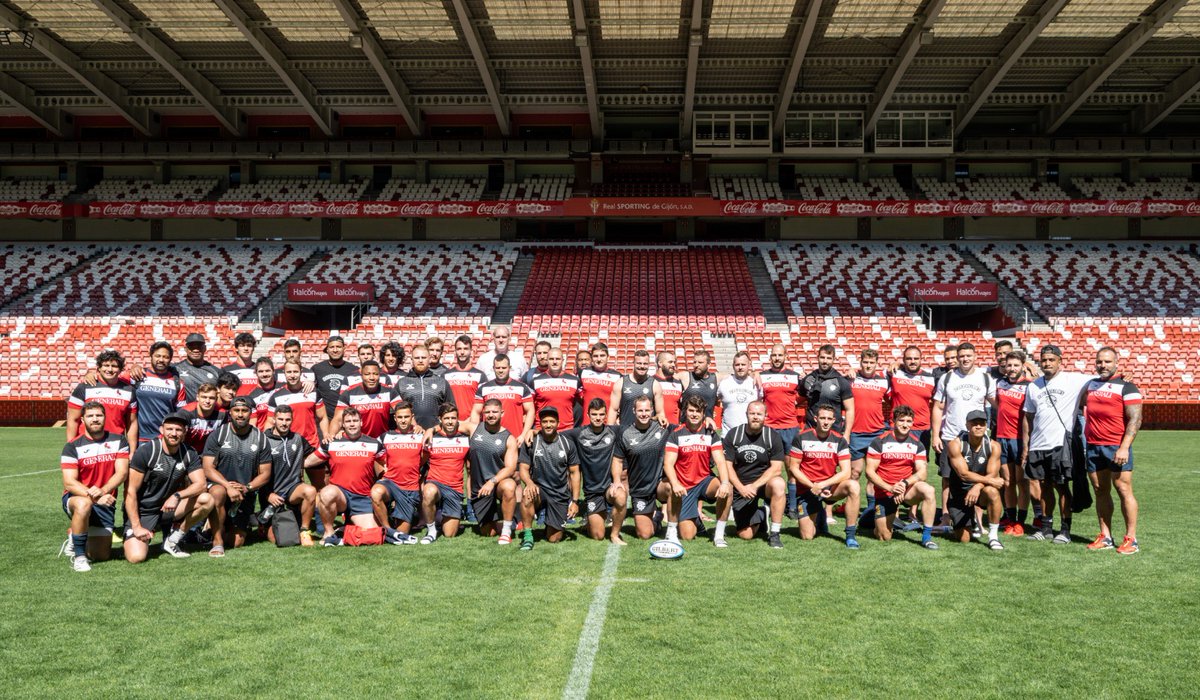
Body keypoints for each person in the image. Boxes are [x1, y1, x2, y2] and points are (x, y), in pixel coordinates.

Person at [1020, 344, 1092, 544]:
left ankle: (1065, 530)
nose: (1047, 363)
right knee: (1043, 487)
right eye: (1044, 360)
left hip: (1060, 443)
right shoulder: (1033, 386)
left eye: (1052, 360)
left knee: (1061, 487)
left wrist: (1123, 376)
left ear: (1060, 361)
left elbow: (1101, 379)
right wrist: (1026, 445)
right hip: (1038, 444)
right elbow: (1028, 417)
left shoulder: (1073, 379)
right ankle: (1046, 528)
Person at [122, 411, 216, 563]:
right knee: (136, 557)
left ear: (185, 432)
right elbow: (130, 492)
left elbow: (201, 484)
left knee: (207, 499)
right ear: (162, 430)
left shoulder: (189, 453)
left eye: (178, 430)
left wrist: (177, 496)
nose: (174, 433)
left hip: (169, 508)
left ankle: (172, 540)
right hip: (144, 511)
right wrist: (137, 526)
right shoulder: (147, 451)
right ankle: (139, 533)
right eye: (169, 429)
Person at [1080, 347, 1142, 554]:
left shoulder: (1127, 386)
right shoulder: (1090, 385)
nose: (1103, 365)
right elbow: (1079, 402)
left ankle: (1131, 539)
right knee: (1100, 490)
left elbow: (1135, 419)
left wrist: (1124, 447)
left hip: (1116, 446)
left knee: (1123, 489)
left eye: (1107, 361)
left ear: (1116, 362)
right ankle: (1105, 536)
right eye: (1099, 361)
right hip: (1093, 446)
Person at [60, 401, 130, 571]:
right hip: (78, 497)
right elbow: (69, 482)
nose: (95, 419)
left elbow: (122, 473)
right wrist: (96, 497)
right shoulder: (72, 446)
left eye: (99, 415)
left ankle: (75, 535)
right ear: (83, 420)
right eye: (90, 416)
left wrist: (103, 491)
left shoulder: (119, 440)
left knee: (101, 555)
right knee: (84, 504)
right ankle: (79, 557)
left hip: (105, 500)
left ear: (105, 418)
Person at [931, 342, 995, 525]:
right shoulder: (947, 378)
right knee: (947, 479)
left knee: (977, 478)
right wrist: (936, 435)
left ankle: (977, 520)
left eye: (968, 355)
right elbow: (938, 407)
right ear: (957, 358)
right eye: (962, 356)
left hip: (977, 438)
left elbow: (997, 404)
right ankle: (945, 517)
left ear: (975, 356)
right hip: (950, 435)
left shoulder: (985, 378)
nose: (965, 359)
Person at [314, 408, 399, 546]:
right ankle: (328, 532)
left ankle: (342, 530)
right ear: (343, 424)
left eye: (355, 421)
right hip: (340, 495)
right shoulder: (332, 443)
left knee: (373, 534)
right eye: (348, 421)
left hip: (362, 497)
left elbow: (387, 463)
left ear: (361, 422)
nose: (352, 424)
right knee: (327, 493)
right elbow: (309, 461)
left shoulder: (374, 444)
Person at [202, 396, 273, 556]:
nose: (240, 414)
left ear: (250, 413)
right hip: (220, 486)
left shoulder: (260, 438)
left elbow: (265, 474)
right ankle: (217, 542)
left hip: (244, 493)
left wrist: (246, 488)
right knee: (218, 493)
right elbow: (208, 468)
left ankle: (218, 524)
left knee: (236, 542)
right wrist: (228, 486)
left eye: (244, 411)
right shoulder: (219, 434)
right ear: (230, 412)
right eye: (236, 410)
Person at [787, 403, 861, 549]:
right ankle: (820, 514)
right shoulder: (801, 437)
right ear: (816, 419)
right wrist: (812, 486)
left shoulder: (839, 440)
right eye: (822, 418)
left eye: (829, 419)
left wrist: (822, 485)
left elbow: (846, 472)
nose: (826, 422)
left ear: (834, 420)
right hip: (808, 489)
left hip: (829, 488)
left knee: (854, 486)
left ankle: (850, 535)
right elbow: (793, 468)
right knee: (807, 536)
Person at [865, 405, 938, 549]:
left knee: (928, 490)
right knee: (884, 536)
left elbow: (922, 473)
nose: (905, 425)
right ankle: (868, 517)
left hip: (907, 490)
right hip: (885, 491)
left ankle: (926, 537)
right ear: (893, 421)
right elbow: (869, 472)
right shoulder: (879, 441)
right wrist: (890, 488)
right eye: (901, 420)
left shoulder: (917, 444)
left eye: (909, 421)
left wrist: (904, 484)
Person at [663, 396, 732, 546]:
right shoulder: (676, 434)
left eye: (698, 411)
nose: (694, 414)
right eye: (691, 410)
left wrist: (725, 483)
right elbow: (668, 464)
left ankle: (719, 535)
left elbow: (720, 461)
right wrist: (675, 483)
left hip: (704, 482)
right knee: (687, 535)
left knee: (728, 488)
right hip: (684, 487)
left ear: (703, 414)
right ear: (685, 412)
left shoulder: (710, 433)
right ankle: (696, 521)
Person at [723, 401, 787, 547]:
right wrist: (741, 487)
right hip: (741, 486)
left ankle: (775, 534)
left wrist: (754, 486)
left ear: (766, 416)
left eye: (759, 414)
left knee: (779, 484)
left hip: (764, 485)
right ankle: (763, 513)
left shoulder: (772, 436)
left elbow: (777, 468)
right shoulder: (734, 434)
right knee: (745, 535)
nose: (755, 417)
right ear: (746, 414)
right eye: (752, 413)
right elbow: (727, 466)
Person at [517, 407, 581, 551]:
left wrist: (575, 501)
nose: (548, 425)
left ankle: (549, 520)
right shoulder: (531, 442)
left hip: (559, 494)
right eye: (545, 421)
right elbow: (523, 468)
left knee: (554, 539)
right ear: (540, 423)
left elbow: (575, 473)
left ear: (558, 423)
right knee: (527, 495)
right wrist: (529, 483)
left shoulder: (567, 444)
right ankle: (528, 536)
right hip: (539, 490)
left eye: (552, 421)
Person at [611, 395, 672, 540]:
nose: (644, 414)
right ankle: (657, 519)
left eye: (647, 410)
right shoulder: (626, 433)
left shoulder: (663, 427)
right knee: (644, 535)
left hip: (659, 485)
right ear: (634, 411)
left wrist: (707, 419)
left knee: (672, 487)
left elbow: (686, 427)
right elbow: (617, 461)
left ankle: (672, 531)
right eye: (640, 410)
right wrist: (617, 481)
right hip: (640, 489)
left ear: (652, 411)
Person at [566, 398, 625, 544]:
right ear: (588, 415)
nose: (598, 418)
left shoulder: (613, 431)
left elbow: (636, 426)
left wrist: (656, 418)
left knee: (621, 496)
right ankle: (591, 520)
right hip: (592, 491)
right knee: (598, 535)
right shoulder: (578, 433)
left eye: (601, 414)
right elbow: (555, 434)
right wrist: (534, 432)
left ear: (606, 415)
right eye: (594, 414)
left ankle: (615, 535)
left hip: (609, 487)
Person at [945, 410, 1005, 550]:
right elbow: (963, 474)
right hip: (959, 492)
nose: (978, 427)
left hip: (981, 489)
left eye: (982, 424)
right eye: (974, 424)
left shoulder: (994, 446)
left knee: (992, 492)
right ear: (967, 425)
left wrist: (977, 486)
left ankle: (993, 537)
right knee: (964, 539)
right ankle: (965, 523)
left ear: (986, 426)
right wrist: (987, 481)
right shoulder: (955, 444)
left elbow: (992, 474)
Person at [262, 404, 320, 547]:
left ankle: (304, 531)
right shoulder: (263, 440)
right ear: (274, 420)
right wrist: (268, 494)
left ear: (292, 420)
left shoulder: (298, 439)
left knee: (310, 491)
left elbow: (314, 455)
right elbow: (255, 473)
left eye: (288, 420)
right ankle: (262, 523)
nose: (284, 423)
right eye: (280, 419)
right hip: (271, 494)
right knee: (277, 539)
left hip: (293, 490)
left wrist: (330, 446)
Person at [757, 343, 803, 517]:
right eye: (774, 355)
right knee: (769, 468)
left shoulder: (795, 376)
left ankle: (792, 506)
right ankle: (768, 504)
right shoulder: (762, 376)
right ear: (770, 357)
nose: (777, 358)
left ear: (785, 357)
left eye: (780, 355)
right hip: (770, 428)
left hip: (790, 427)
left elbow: (802, 396)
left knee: (792, 469)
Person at [467, 398, 519, 544]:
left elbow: (510, 468)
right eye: (488, 412)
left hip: (497, 483)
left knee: (509, 486)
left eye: (495, 412)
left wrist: (492, 481)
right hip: (480, 488)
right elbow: (451, 424)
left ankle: (506, 531)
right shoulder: (473, 428)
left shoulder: (509, 439)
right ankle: (512, 522)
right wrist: (432, 430)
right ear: (483, 413)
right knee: (487, 532)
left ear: (502, 413)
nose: (491, 415)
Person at [419, 403, 472, 543]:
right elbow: (420, 462)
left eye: (453, 418)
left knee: (450, 534)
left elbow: (470, 467)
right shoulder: (431, 438)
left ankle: (441, 516)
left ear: (457, 419)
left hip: (454, 488)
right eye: (446, 418)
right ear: (440, 419)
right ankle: (431, 530)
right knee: (429, 491)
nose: (450, 421)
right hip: (435, 483)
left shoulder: (465, 439)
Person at [373, 401, 426, 541]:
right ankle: (388, 530)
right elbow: (371, 451)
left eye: (406, 417)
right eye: (400, 417)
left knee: (402, 533)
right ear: (395, 418)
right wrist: (382, 472)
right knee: (376, 492)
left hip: (409, 488)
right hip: (390, 483)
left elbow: (426, 458)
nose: (403, 420)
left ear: (412, 417)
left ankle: (400, 518)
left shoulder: (421, 436)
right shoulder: (385, 437)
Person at [848, 349, 890, 519]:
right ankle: (853, 505)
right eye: (865, 362)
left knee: (873, 475)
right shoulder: (851, 379)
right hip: (856, 433)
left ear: (876, 364)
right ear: (860, 362)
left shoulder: (884, 381)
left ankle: (871, 510)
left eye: (871, 363)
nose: (868, 365)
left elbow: (896, 399)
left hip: (876, 433)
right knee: (855, 472)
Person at [995, 351, 1033, 535]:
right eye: (1009, 365)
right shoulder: (999, 383)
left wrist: (1028, 443)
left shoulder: (1030, 386)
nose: (1011, 368)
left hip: (1019, 439)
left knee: (1022, 482)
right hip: (1001, 438)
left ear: (1023, 366)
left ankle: (1020, 521)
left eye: (1016, 365)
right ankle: (1010, 519)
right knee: (1007, 481)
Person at [66, 350, 138, 445]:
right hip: (86, 444)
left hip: (116, 444)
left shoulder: (129, 390)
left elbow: (132, 423)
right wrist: (70, 446)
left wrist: (132, 451)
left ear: (120, 369)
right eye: (106, 365)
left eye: (114, 366)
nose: (110, 369)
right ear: (99, 368)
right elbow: (73, 420)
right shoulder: (84, 387)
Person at [129, 341, 187, 443]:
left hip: (165, 439)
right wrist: (134, 366)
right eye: (158, 356)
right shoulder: (137, 376)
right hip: (140, 438)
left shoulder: (178, 383)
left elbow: (181, 414)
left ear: (170, 359)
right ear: (151, 356)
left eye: (165, 357)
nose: (161, 360)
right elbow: (112, 378)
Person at [266, 360, 326, 453]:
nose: (292, 375)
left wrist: (326, 434)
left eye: (295, 371)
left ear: (301, 372)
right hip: (287, 445)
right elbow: (270, 423)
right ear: (284, 373)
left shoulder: (313, 392)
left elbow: (322, 417)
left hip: (312, 444)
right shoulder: (276, 396)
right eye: (289, 372)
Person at [472, 354, 534, 442]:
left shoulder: (521, 387)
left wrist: (523, 435)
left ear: (510, 368)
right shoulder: (484, 388)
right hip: (489, 439)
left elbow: (530, 411)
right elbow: (476, 412)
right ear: (493, 368)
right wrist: (477, 434)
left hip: (515, 438)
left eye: (504, 368)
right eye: (498, 368)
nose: (501, 370)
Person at [329, 360, 393, 439]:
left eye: (375, 374)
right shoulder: (349, 393)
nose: (371, 378)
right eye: (367, 374)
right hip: (358, 441)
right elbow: (338, 420)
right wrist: (331, 437)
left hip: (382, 440)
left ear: (379, 375)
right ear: (361, 375)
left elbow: (402, 412)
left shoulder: (389, 391)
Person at [801, 344, 855, 435]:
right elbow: (798, 399)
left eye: (829, 358)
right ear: (818, 358)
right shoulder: (808, 379)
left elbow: (850, 409)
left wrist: (847, 434)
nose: (825, 361)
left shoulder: (841, 381)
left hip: (833, 433)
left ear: (834, 359)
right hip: (810, 431)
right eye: (822, 357)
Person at [395, 345, 450, 430]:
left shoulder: (441, 382)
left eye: (423, 357)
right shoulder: (402, 383)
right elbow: (395, 411)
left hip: (435, 432)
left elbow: (450, 410)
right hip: (410, 432)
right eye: (417, 358)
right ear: (412, 360)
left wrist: (436, 429)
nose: (420, 360)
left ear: (429, 359)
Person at [531, 347, 583, 431]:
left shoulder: (574, 380)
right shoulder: (536, 381)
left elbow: (582, 403)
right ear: (547, 360)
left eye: (557, 359)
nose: (554, 362)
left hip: (567, 430)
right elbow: (529, 408)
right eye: (551, 359)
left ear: (563, 360)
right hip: (543, 430)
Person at [612, 349, 666, 429]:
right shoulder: (621, 383)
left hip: (647, 433)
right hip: (625, 431)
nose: (642, 366)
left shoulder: (655, 385)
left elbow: (660, 413)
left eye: (645, 363)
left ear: (649, 364)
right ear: (633, 363)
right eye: (639, 363)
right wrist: (610, 430)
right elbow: (613, 410)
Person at [311, 336, 359, 418]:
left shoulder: (354, 370)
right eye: (332, 347)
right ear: (327, 349)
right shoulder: (316, 369)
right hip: (324, 419)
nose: (335, 350)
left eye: (338, 347)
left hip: (346, 419)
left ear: (344, 348)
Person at [716, 351, 760, 433]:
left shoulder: (756, 384)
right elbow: (714, 400)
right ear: (733, 366)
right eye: (737, 365)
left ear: (749, 365)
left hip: (750, 434)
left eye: (743, 364)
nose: (740, 367)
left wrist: (756, 373)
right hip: (728, 434)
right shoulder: (724, 384)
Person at [443, 334, 487, 417]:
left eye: (466, 349)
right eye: (459, 349)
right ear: (455, 351)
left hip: (473, 422)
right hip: (451, 422)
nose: (462, 352)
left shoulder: (480, 376)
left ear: (471, 351)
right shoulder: (446, 375)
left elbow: (485, 402)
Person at [174, 333, 221, 402]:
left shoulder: (216, 372)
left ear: (205, 348)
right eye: (191, 347)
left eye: (199, 346)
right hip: (185, 409)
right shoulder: (176, 369)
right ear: (185, 349)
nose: (196, 350)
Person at [580, 342, 622, 419]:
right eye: (595, 356)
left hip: (608, 423)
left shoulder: (617, 376)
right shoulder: (583, 373)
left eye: (602, 356)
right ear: (591, 358)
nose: (599, 359)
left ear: (608, 357)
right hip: (586, 423)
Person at [181, 382, 224, 453]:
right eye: (204, 397)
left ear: (216, 399)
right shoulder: (186, 413)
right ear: (197, 397)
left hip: (209, 453)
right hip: (186, 452)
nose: (207, 401)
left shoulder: (222, 415)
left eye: (211, 398)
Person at [679, 349, 720, 420]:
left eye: (700, 362)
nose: (696, 365)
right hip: (687, 424)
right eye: (694, 362)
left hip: (707, 424)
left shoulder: (716, 378)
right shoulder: (685, 376)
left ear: (709, 364)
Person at [222, 332, 259, 396]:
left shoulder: (260, 370)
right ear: (236, 348)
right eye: (242, 345)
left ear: (253, 348)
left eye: (249, 345)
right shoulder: (226, 370)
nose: (246, 349)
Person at [247, 357, 278, 431]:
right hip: (262, 434)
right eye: (261, 371)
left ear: (273, 371)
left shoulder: (283, 388)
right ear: (256, 373)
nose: (264, 374)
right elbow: (252, 423)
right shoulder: (251, 397)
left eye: (267, 371)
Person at [655, 351, 684, 425]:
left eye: (674, 362)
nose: (673, 365)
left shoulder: (678, 383)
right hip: (655, 427)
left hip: (674, 427)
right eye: (670, 362)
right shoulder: (652, 381)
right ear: (660, 363)